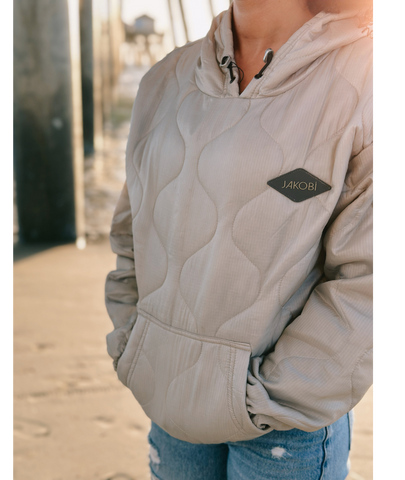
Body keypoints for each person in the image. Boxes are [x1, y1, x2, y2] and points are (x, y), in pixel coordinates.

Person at [105, 0, 376, 478]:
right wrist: (136, 345)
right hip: (168, 400)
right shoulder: (165, 79)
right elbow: (132, 235)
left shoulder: (365, 79)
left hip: (283, 428)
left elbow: (366, 279)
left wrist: (275, 395)